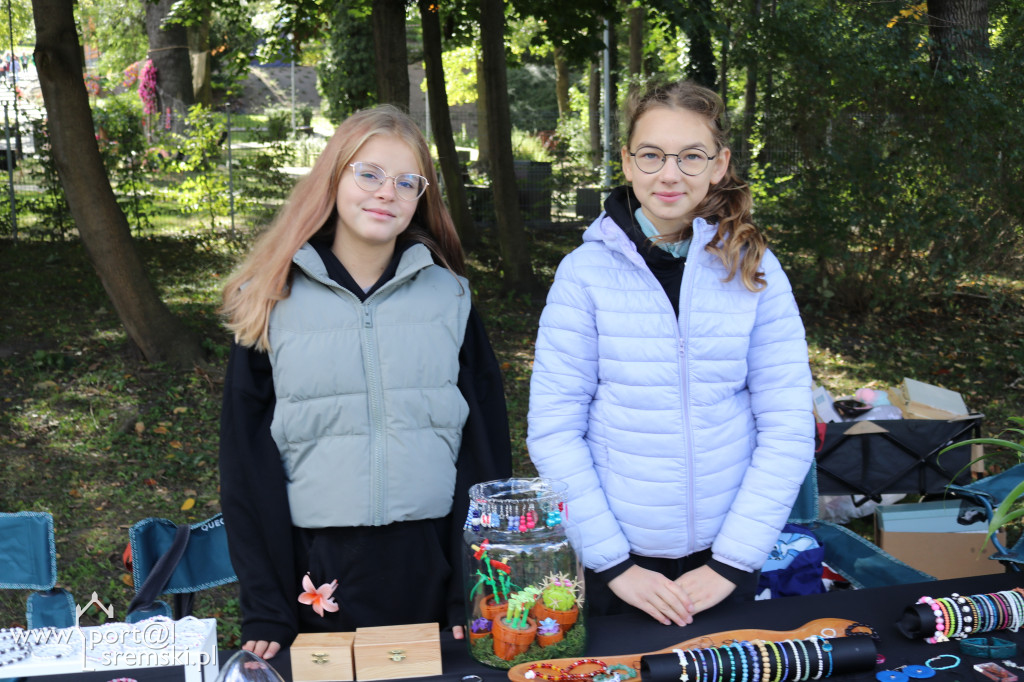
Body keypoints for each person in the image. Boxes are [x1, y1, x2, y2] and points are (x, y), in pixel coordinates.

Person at [219, 105, 512, 659]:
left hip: (429, 564)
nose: (387, 193)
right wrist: (264, 603)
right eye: (369, 173)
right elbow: (244, 464)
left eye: (407, 182)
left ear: (421, 198)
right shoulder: (271, 299)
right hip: (317, 567)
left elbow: (485, 453)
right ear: (334, 178)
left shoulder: (448, 297)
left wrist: (472, 588)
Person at [527, 80, 814, 628]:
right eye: (652, 154)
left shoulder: (755, 270)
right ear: (627, 162)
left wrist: (733, 561)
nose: (669, 173)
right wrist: (614, 564)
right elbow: (554, 430)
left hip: (727, 558)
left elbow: (787, 426)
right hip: (619, 563)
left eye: (691, 156)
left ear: (719, 164)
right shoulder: (582, 275)